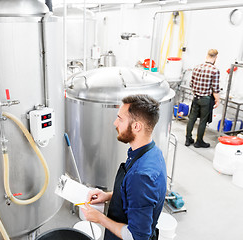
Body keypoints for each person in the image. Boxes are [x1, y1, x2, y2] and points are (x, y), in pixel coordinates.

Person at [82, 94, 167, 240]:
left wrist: (99, 218)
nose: (115, 123)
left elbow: (137, 236)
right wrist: (108, 196)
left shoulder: (141, 176)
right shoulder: (151, 152)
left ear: (136, 126)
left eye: (120, 118)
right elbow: (133, 196)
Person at [185, 49, 220, 148]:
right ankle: (199, 141)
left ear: (207, 55)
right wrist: (217, 100)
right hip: (206, 99)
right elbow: (215, 88)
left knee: (191, 119)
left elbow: (191, 84)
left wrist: (197, 92)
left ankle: (188, 139)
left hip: (195, 98)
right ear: (216, 57)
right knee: (203, 121)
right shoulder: (214, 70)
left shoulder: (197, 67)